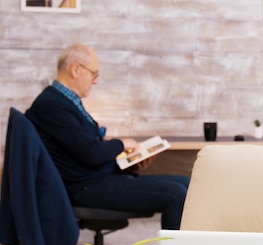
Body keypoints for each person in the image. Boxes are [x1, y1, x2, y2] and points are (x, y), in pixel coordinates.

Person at [26, 43, 189, 230]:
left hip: (98, 178)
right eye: (94, 74)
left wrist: (130, 161)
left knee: (187, 184)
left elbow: (85, 147)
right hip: (85, 188)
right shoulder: (52, 105)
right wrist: (121, 144)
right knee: (177, 194)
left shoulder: (63, 101)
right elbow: (91, 153)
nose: (95, 81)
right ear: (76, 69)